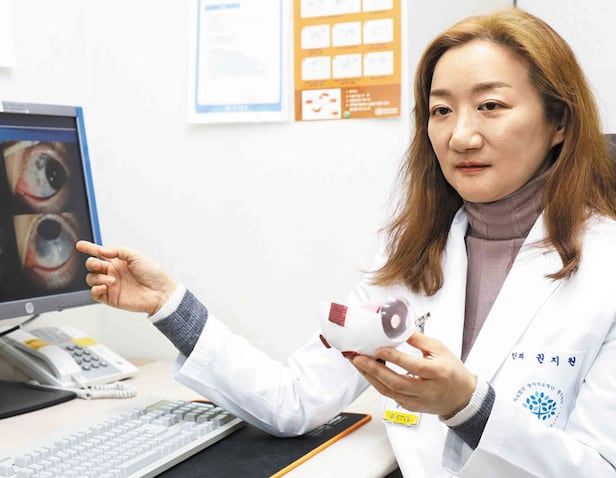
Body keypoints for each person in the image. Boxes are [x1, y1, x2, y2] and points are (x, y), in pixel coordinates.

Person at [76, 7, 616, 477]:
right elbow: (294, 400)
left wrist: (467, 406)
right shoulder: (412, 258)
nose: (460, 136)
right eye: (441, 110)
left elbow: (599, 468)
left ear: (559, 123)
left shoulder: (606, 267)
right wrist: (169, 305)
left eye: (491, 106)